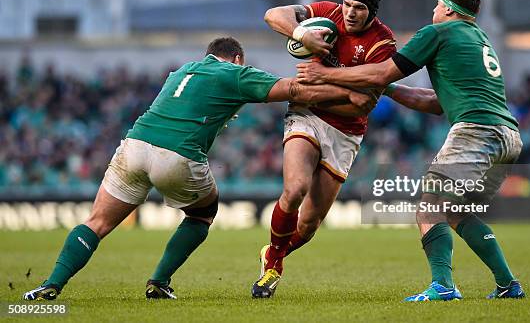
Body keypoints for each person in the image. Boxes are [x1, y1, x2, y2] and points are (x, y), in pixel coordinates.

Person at [23, 37, 376, 301]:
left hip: (134, 146)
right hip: (175, 156)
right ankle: (159, 282)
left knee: (96, 222)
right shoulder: (234, 73)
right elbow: (293, 89)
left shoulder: (181, 71)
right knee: (204, 212)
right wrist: (349, 90)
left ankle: (51, 284)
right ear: (237, 58)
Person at [296, 0, 525, 301]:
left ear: (447, 8)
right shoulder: (479, 38)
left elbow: (379, 73)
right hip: (508, 137)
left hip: (476, 131)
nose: (433, 8)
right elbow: (432, 102)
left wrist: (324, 75)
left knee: (429, 207)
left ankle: (443, 286)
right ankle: (508, 285)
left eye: (437, 3)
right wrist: (386, 89)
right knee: (456, 212)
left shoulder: (437, 33)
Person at [252, 0, 442, 298]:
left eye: (360, 8)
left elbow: (363, 101)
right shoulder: (328, 14)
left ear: (372, 13)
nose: (351, 13)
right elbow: (273, 15)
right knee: (294, 189)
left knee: (309, 224)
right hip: (306, 115)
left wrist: (321, 80)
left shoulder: (383, 44)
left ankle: (273, 252)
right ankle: (274, 263)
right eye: (348, 5)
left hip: (346, 132)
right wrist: (303, 36)